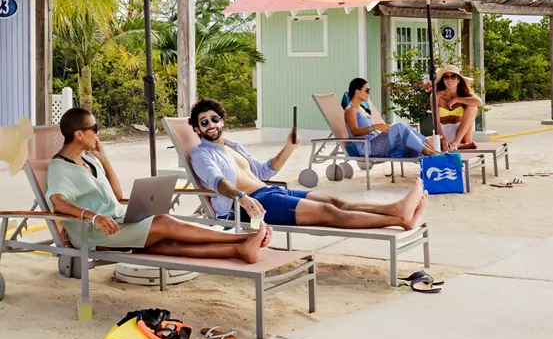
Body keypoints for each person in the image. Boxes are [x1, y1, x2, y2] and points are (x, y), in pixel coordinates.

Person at [46, 107, 271, 264]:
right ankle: (243, 238)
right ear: (78, 134)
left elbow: (117, 194)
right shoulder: (59, 167)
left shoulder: (89, 160)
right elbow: (58, 202)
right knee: (164, 222)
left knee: (165, 243)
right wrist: (93, 216)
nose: (98, 132)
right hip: (96, 234)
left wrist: (103, 158)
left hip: (120, 225)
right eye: (94, 127)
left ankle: (240, 250)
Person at [189, 98, 427, 231]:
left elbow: (263, 171)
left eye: (214, 119)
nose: (210, 124)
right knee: (328, 213)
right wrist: (241, 197)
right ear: (197, 129)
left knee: (336, 201)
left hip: (269, 191)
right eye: (204, 122)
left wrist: (289, 147)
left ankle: (396, 209)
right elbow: (217, 181)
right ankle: (399, 220)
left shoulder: (232, 146)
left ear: (222, 121)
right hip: (248, 206)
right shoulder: (202, 155)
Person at [343, 78, 439, 160]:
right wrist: (375, 127)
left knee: (404, 128)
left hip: (374, 142)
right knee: (400, 126)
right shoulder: (350, 110)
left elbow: (370, 131)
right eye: (367, 90)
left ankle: (429, 150)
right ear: (357, 91)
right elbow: (354, 131)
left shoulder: (362, 108)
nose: (369, 93)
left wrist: (382, 130)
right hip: (366, 147)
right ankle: (428, 152)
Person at [433, 65, 482, 151]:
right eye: (446, 77)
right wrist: (442, 137)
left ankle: (456, 143)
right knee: (427, 142)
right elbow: (435, 120)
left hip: (460, 134)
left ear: (458, 79)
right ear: (443, 79)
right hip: (443, 132)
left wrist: (457, 99)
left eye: (453, 76)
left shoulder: (464, 95)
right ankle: (460, 146)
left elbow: (479, 102)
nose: (449, 80)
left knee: (472, 106)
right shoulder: (437, 96)